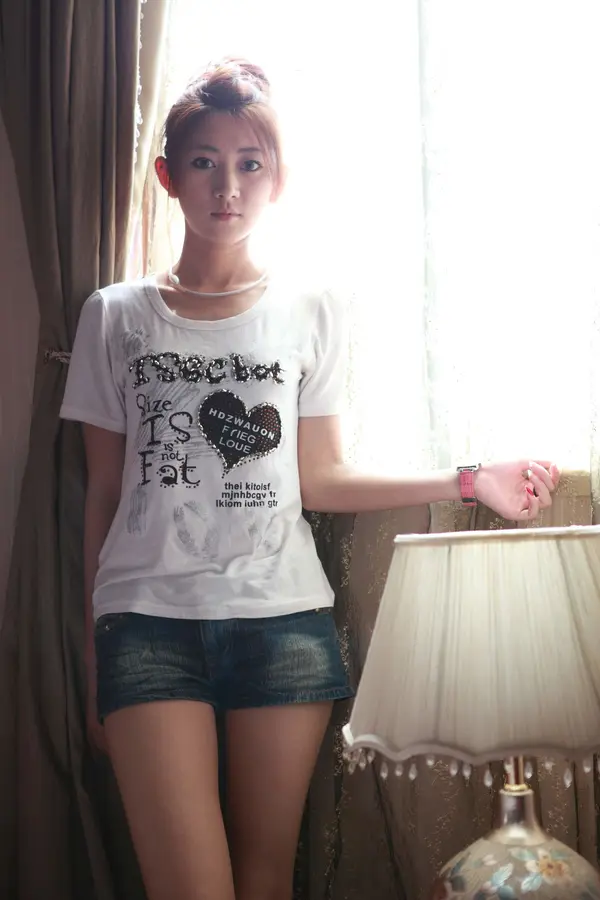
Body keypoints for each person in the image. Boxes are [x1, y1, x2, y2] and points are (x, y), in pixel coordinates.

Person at [60, 58, 560, 900]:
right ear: (168, 177)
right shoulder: (113, 314)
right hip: (145, 628)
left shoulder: (312, 308)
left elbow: (321, 479)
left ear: (278, 180)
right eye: (205, 162)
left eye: (250, 164)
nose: (228, 187)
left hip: (281, 623)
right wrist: (89, 657)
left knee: (267, 883)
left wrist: (471, 479)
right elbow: (102, 497)